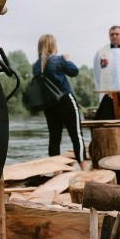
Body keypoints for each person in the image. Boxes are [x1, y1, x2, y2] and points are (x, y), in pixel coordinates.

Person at [33, 34, 88, 171]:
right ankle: (84, 168)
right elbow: (74, 71)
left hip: (49, 105)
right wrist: (67, 60)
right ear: (53, 45)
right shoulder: (58, 60)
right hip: (65, 101)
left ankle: (55, 172)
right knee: (76, 135)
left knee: (54, 138)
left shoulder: (35, 66)